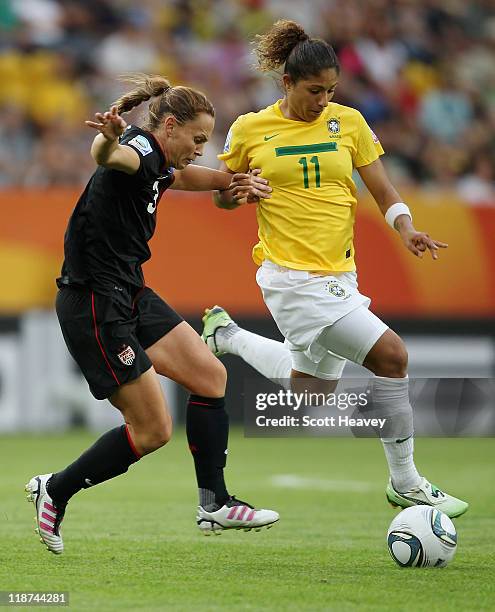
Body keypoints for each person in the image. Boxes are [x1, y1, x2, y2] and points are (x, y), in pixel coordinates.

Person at [201, 21, 468, 518]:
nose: (323, 99)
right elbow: (221, 193)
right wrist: (236, 192)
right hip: (291, 276)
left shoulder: (348, 122)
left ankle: (228, 336)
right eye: (313, 90)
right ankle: (406, 482)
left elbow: (384, 191)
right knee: (392, 356)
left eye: (330, 89)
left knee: (312, 392)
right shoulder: (250, 129)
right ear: (286, 83)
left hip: (340, 274)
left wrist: (406, 228)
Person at [25, 74, 278, 555]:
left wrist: (229, 180)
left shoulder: (160, 161)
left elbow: (181, 177)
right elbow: (110, 157)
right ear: (169, 125)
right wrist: (107, 138)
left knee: (209, 375)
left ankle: (215, 503)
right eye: (198, 139)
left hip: (130, 291)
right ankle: (55, 490)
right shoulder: (138, 149)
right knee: (153, 430)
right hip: (95, 303)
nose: (201, 149)